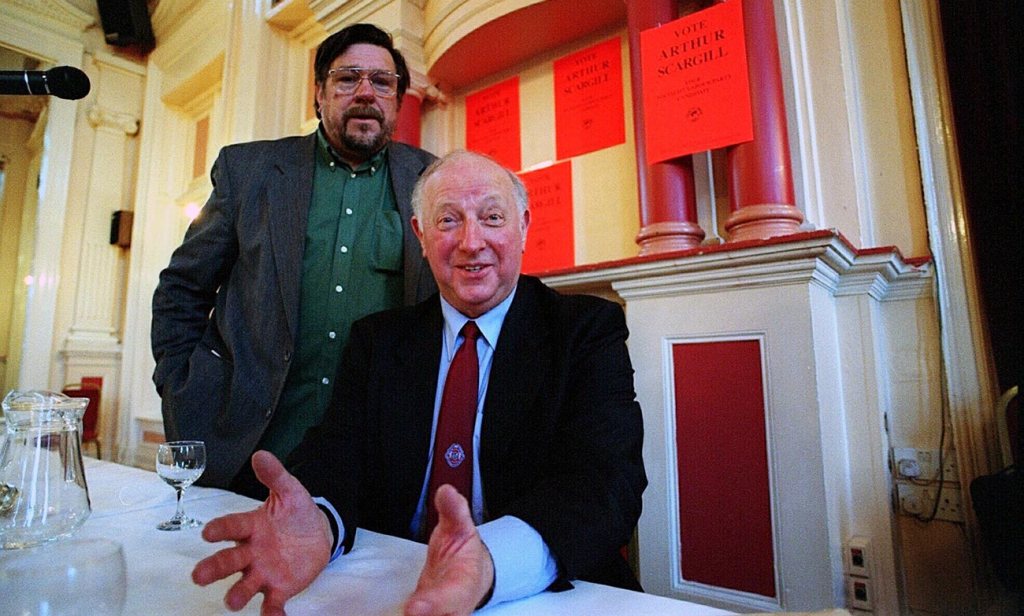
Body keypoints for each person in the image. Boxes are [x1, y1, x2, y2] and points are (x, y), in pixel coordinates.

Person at [191, 151, 647, 614]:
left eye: (492, 217)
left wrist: (489, 561)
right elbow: (338, 453)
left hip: (540, 593)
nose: (472, 242)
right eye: (448, 220)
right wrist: (321, 520)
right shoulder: (378, 340)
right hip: (397, 583)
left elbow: (608, 481)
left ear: (523, 227)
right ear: (421, 236)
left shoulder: (586, 330)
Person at [150, 24, 438, 494]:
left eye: (382, 82)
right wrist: (179, 383)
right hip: (245, 449)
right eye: (348, 78)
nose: (366, 92)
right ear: (319, 94)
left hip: (373, 462)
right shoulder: (249, 172)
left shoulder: (432, 182)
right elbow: (182, 289)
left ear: (398, 100)